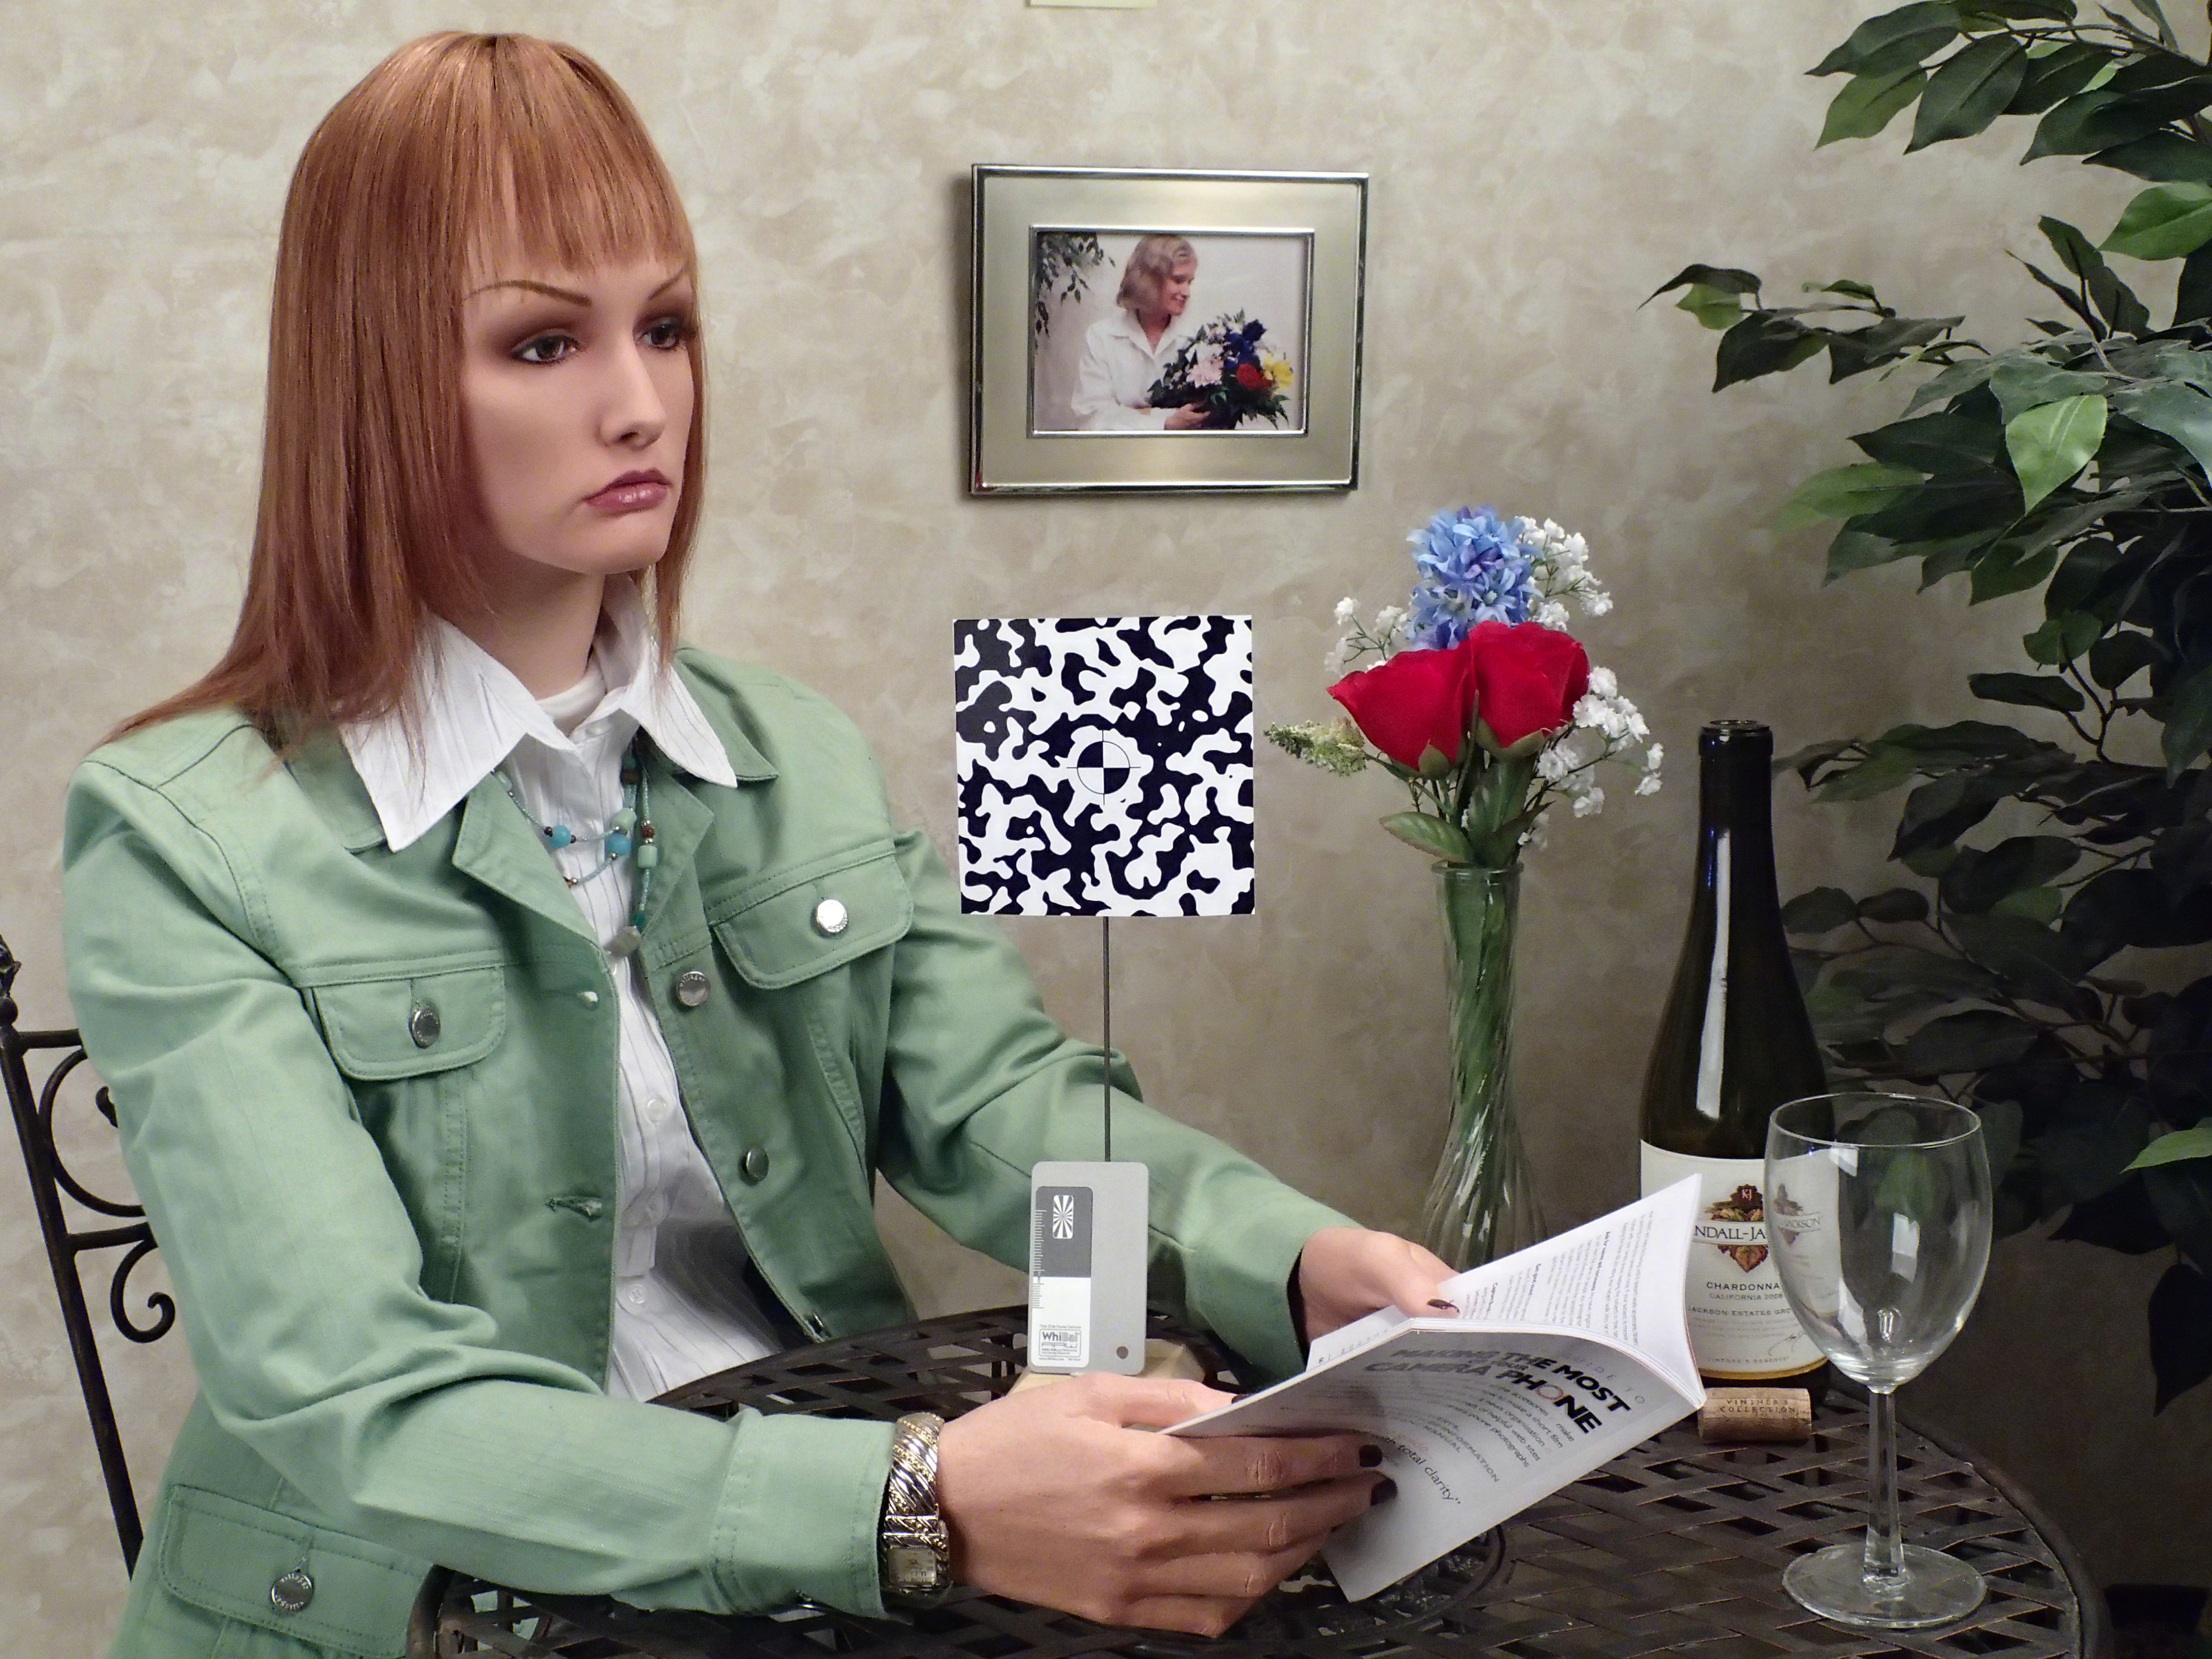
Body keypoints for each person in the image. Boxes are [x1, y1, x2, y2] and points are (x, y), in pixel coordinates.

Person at [60, 34, 1453, 1659]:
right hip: (433, 1609)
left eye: (664, 327)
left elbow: (996, 1105)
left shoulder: (784, 747)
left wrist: (1284, 1254)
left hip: (825, 1573)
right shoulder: (178, 834)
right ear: (371, 381)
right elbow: (359, 1396)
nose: (638, 403)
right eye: (541, 342)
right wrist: (912, 1500)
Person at [1069, 234, 1211, 431]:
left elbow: (1203, 414)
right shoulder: (1102, 336)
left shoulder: (1198, 338)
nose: (1187, 292)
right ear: (1150, 280)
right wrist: (1165, 422)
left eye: (1190, 282)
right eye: (1178, 280)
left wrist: (1135, 415)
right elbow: (1091, 419)